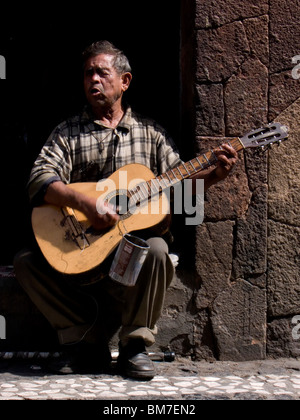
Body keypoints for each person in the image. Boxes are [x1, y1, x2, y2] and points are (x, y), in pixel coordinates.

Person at [14, 41, 237, 380]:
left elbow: (181, 195)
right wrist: (85, 202)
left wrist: (213, 177)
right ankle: (85, 340)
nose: (93, 80)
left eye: (102, 73)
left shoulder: (152, 135)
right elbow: (39, 180)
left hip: (129, 262)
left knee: (159, 249)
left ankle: (134, 346)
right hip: (79, 253)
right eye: (88, 73)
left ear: (125, 81)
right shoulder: (68, 132)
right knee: (25, 263)